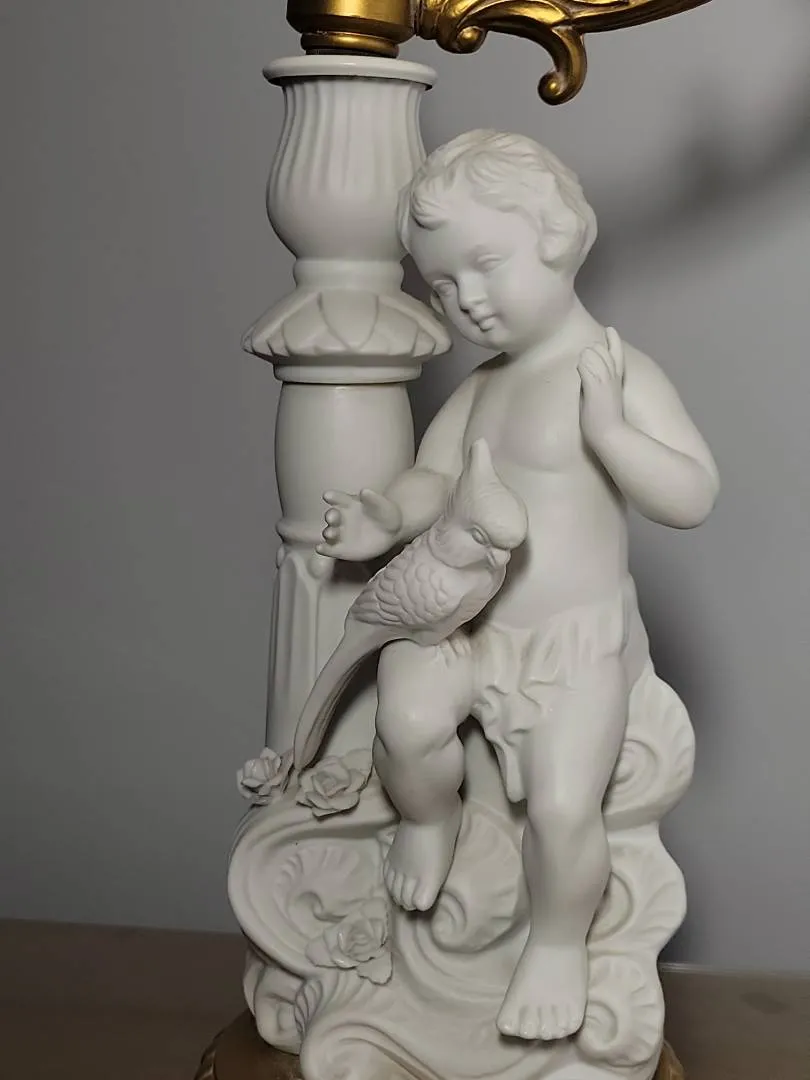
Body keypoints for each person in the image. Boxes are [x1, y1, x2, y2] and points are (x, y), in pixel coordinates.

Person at [317, 130, 719, 1043]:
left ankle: (558, 944)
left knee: (566, 808)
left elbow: (693, 495)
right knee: (405, 726)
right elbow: (435, 477)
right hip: (468, 625)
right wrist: (388, 515)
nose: (467, 300)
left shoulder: (612, 371)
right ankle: (430, 818)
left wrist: (612, 435)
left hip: (574, 643)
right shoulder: (483, 389)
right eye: (442, 285)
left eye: (486, 265)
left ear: (557, 237)